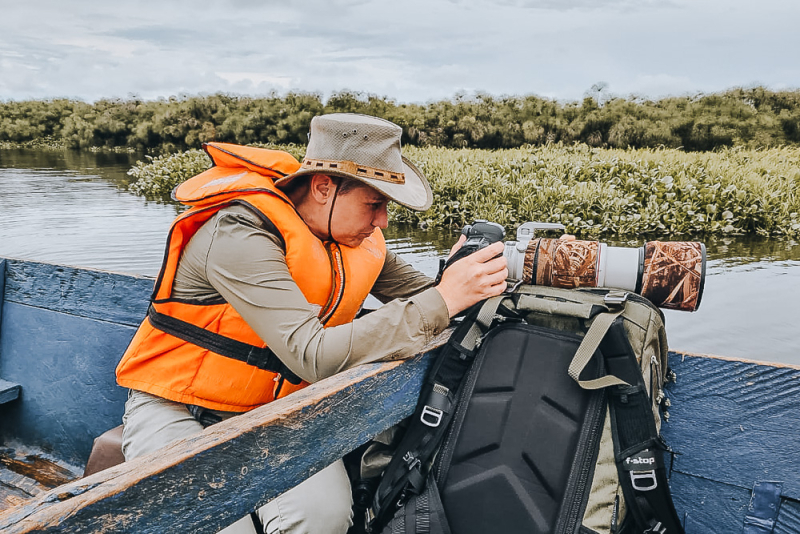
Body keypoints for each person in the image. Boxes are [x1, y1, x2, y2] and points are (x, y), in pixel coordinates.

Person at [115, 113, 508, 534]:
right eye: (374, 204)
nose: (383, 222)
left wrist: (462, 273)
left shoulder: (356, 238)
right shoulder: (240, 234)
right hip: (178, 405)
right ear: (324, 187)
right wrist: (446, 297)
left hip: (279, 410)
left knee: (323, 518)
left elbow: (429, 296)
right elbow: (313, 356)